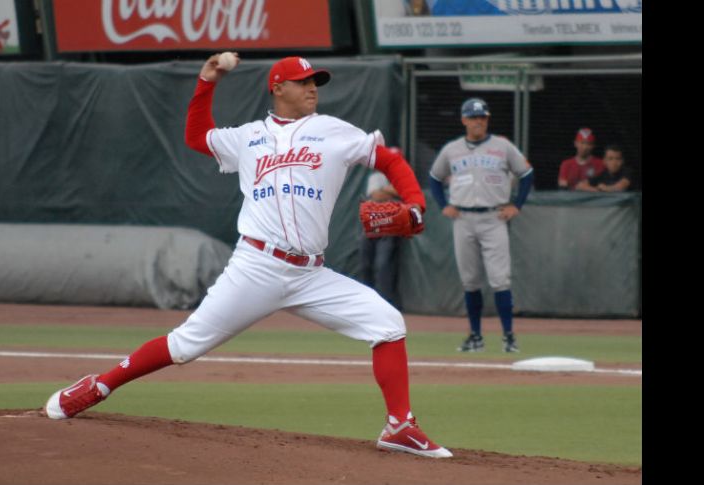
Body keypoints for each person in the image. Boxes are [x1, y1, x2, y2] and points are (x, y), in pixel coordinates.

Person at [43, 54, 452, 459]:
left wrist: (415, 203)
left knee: (387, 324)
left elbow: (389, 159)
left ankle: (400, 426)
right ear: (277, 87)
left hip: (311, 273)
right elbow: (196, 136)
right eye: (303, 81)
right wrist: (207, 81)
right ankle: (99, 385)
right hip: (256, 266)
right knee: (185, 346)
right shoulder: (248, 137)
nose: (312, 88)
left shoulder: (332, 130)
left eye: (316, 82)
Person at [428, 98, 533, 353]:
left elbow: (526, 173)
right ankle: (475, 337)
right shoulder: (452, 149)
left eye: (483, 117)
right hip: (462, 219)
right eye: (474, 117)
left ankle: (509, 337)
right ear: (464, 120)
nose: (479, 121)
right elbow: (434, 177)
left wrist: (516, 205)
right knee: (470, 281)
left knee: (500, 280)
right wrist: (444, 203)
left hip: (493, 217)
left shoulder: (502, 146)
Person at [359, 168, 402, 309]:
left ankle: (384, 304)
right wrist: (389, 190)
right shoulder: (376, 176)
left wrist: (385, 190)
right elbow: (376, 195)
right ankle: (366, 301)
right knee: (366, 265)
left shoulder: (401, 176)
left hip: (389, 227)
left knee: (383, 265)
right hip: (370, 225)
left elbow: (401, 192)